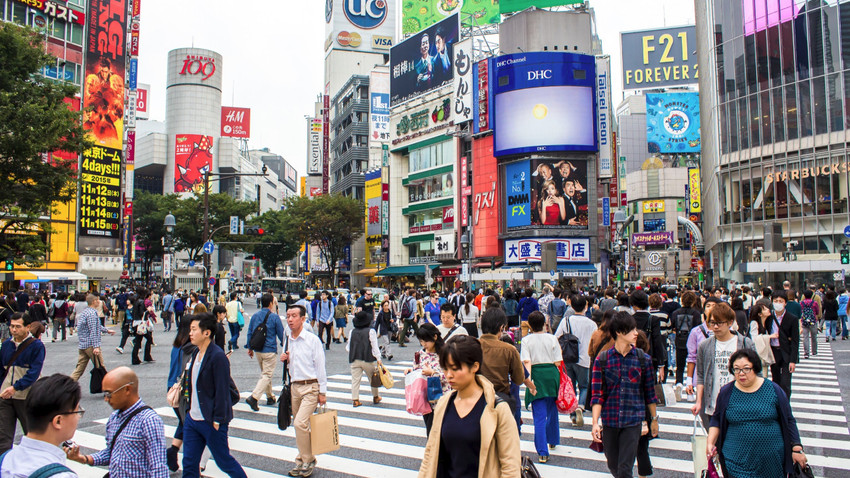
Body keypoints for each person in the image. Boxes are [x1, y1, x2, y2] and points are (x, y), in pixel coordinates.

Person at [417, 335, 521, 477]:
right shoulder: (444, 403)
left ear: (475, 366)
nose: (448, 375)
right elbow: (430, 452)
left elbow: (510, 465)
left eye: (454, 368)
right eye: (445, 369)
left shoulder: (497, 408)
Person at [706, 349, 808, 478]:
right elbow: (716, 419)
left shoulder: (773, 389)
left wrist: (796, 448)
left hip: (772, 461)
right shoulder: (727, 392)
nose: (741, 373)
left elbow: (789, 419)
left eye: (746, 369)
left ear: (755, 368)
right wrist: (710, 442)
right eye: (736, 369)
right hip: (736, 460)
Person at [175, 314, 246, 478]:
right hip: (193, 419)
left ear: (206, 333)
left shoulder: (217, 356)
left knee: (223, 461)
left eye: (194, 330)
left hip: (211, 420)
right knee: (189, 463)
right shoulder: (195, 353)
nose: (190, 333)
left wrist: (218, 419)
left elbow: (222, 390)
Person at [590, 312, 659, 478]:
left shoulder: (644, 359)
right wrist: (594, 422)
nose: (636, 333)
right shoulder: (603, 359)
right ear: (619, 332)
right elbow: (597, 394)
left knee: (625, 468)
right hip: (610, 419)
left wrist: (654, 419)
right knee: (613, 464)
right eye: (631, 330)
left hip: (633, 420)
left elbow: (650, 393)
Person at [66, 367, 168, 478]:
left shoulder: (149, 421)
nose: (106, 399)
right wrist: (84, 458)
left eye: (109, 394)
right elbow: (111, 453)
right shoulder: (114, 418)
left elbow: (159, 467)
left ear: (127, 389)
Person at [280, 305, 327, 478]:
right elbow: (290, 362)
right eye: (288, 316)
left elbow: (320, 366)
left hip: (311, 386)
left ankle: (308, 460)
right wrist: (284, 358)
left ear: (303, 318)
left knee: (300, 423)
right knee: (299, 425)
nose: (290, 319)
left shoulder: (312, 340)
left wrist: (322, 392)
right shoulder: (288, 339)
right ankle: (302, 460)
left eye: (294, 316)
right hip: (295, 386)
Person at [1, 374, 80, 477]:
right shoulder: (61, 475)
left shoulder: (5, 460)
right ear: (58, 421)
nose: (78, 417)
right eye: (77, 412)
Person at [692, 303, 756, 428]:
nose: (715, 327)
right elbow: (701, 375)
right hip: (713, 402)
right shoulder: (705, 346)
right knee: (715, 444)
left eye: (719, 323)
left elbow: (756, 374)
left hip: (740, 403)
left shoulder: (745, 343)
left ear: (730, 322)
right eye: (712, 323)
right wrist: (699, 402)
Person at [478, 308, 534, 427]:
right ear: (501, 327)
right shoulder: (509, 349)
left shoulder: (472, 346)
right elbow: (519, 379)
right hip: (500, 400)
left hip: (476, 400)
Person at [0, 312, 46, 453]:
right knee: (3, 436)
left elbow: (34, 373)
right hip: (5, 396)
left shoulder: (36, 346)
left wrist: (15, 387)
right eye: (12, 326)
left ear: (28, 327)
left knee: (31, 433)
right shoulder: (6, 344)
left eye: (18, 326)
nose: (14, 330)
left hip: (26, 396)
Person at [520, 311, 561, 463]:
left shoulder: (526, 340)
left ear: (529, 325)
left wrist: (530, 383)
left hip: (536, 375)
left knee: (539, 415)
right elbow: (558, 362)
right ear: (544, 323)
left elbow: (526, 362)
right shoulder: (552, 338)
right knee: (552, 409)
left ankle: (543, 452)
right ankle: (553, 440)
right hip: (551, 374)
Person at [554, 295, 597, 427]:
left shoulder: (566, 321)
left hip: (568, 358)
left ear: (572, 306)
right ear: (586, 306)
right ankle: (581, 406)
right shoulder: (591, 324)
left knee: (571, 387)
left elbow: (556, 338)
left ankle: (573, 414)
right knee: (585, 386)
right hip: (584, 359)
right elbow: (595, 342)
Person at [245, 294, 285, 411]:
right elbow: (281, 334)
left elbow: (250, 332)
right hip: (270, 350)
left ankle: (270, 397)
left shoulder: (255, 316)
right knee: (267, 375)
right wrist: (286, 347)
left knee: (265, 374)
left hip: (258, 349)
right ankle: (254, 397)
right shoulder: (274, 317)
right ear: (271, 303)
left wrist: (250, 347)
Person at [407, 323, 448, 435]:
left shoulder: (445, 354)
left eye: (426, 341)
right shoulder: (419, 355)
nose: (423, 344)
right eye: (421, 341)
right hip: (426, 400)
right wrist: (411, 372)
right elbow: (416, 371)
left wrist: (434, 373)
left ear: (435, 337)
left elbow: (451, 376)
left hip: (443, 399)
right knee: (431, 433)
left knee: (443, 433)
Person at [69, 294, 115, 381]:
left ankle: (66, 386)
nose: (99, 302)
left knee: (79, 369)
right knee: (101, 367)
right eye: (97, 300)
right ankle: (108, 387)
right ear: (94, 301)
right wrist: (96, 346)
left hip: (83, 344)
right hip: (90, 345)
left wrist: (106, 330)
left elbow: (94, 326)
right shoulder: (92, 313)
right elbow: (93, 330)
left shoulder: (86, 312)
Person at [765, 290, 800, 399]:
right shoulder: (768, 317)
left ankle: (785, 407)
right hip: (773, 352)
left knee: (785, 383)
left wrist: (793, 360)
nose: (778, 303)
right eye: (776, 301)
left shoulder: (792, 318)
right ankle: (777, 405)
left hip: (786, 353)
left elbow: (795, 340)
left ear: (785, 303)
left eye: (781, 301)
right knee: (775, 381)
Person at [347, 311, 382, 407]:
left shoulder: (352, 332)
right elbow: (374, 346)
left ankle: (355, 399)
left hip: (354, 358)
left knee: (355, 380)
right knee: (373, 378)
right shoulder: (371, 331)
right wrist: (378, 358)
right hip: (367, 358)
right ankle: (375, 397)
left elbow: (348, 347)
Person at [130, 293, 155, 365]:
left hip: (136, 323)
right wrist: (148, 310)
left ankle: (137, 358)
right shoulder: (141, 302)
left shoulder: (136, 301)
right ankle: (143, 357)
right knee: (147, 339)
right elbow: (142, 313)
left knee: (139, 340)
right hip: (141, 324)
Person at [799, 289, 819, 358]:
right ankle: (814, 351)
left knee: (805, 337)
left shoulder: (802, 303)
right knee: (814, 337)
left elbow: (800, 311)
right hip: (813, 321)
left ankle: (806, 353)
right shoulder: (814, 303)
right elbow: (817, 311)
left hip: (804, 321)